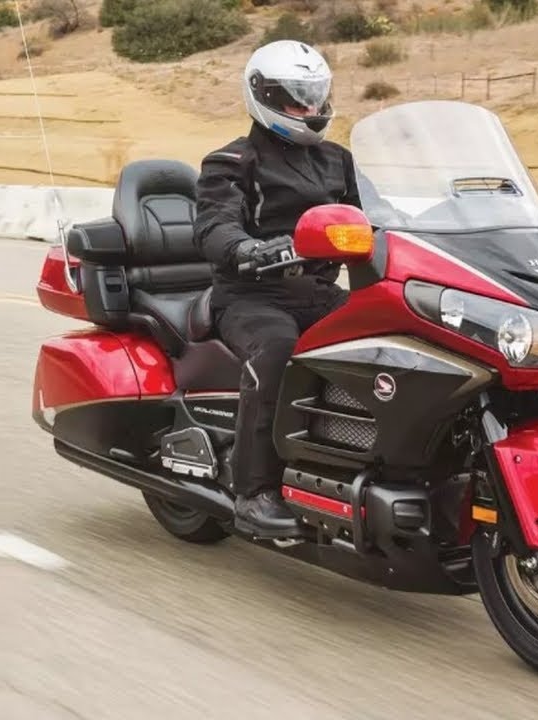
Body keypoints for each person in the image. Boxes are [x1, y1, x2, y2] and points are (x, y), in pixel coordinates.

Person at [194, 40, 361, 540]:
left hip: (319, 292)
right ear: (264, 96)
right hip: (252, 296)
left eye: (315, 96)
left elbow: (377, 216)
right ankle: (254, 492)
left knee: (389, 338)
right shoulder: (231, 161)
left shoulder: (339, 160)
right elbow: (214, 225)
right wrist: (246, 248)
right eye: (296, 98)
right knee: (276, 350)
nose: (309, 108)